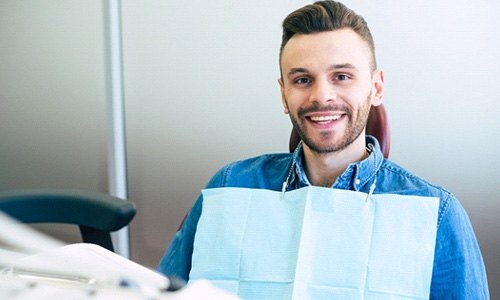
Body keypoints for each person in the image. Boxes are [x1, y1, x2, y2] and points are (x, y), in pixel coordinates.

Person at [158, 1, 489, 298]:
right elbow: (162, 290)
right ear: (283, 94)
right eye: (302, 80)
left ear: (376, 87)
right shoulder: (230, 186)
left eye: (342, 76)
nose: (322, 96)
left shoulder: (436, 213)